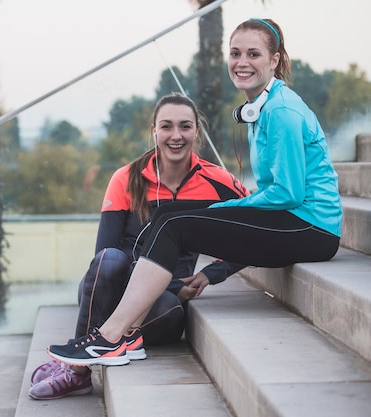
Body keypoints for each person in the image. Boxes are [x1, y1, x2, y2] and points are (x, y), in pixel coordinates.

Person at [46, 18, 343, 367]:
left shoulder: (282, 112)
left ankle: (111, 337)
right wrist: (221, 226)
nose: (241, 62)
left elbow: (287, 194)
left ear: (274, 60)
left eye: (253, 54)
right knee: (168, 217)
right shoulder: (263, 109)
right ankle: (121, 336)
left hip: (310, 228)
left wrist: (227, 208)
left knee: (176, 223)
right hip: (292, 221)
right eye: (235, 53)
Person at [28, 93, 249, 400]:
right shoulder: (127, 178)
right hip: (112, 288)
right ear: (154, 130)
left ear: (197, 131)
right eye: (166, 126)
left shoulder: (217, 181)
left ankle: (73, 365)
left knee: (170, 307)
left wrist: (213, 273)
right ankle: (77, 369)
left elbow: (254, 230)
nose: (176, 136)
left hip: (164, 303)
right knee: (109, 260)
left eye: (185, 127)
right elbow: (103, 256)